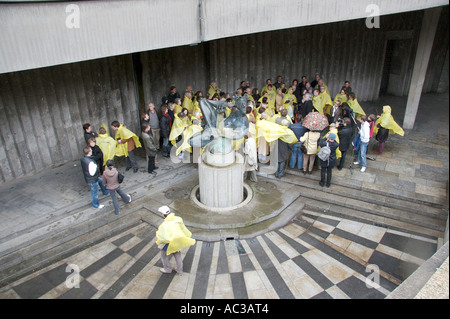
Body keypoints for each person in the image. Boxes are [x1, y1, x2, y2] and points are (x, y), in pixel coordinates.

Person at [156, 206, 196, 276]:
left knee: (164, 257)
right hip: (177, 242)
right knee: (178, 256)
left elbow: (165, 238)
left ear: (163, 214)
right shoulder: (178, 219)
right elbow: (184, 229)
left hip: (168, 244)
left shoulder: (164, 225)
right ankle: (179, 270)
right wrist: (188, 235)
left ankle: (167, 269)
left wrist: (159, 240)